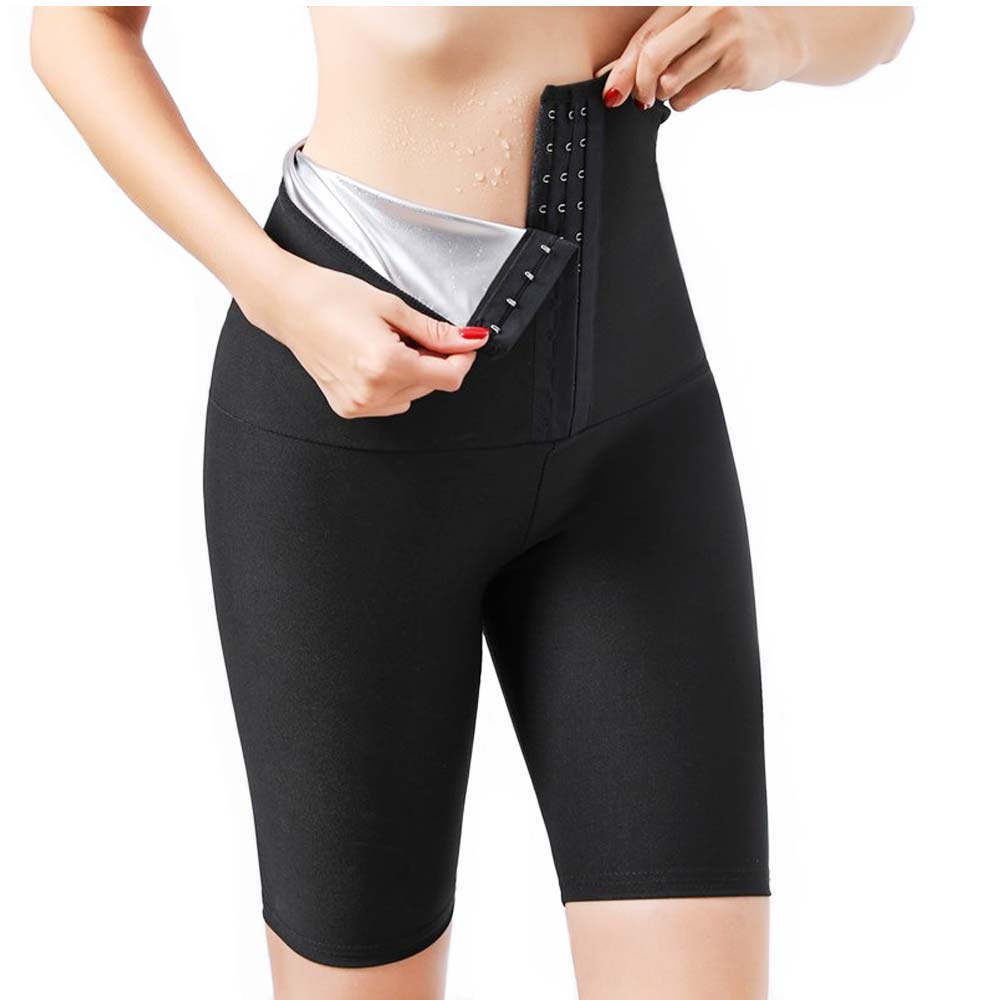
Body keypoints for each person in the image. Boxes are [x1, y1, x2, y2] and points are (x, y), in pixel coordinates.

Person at [31, 7, 913, 999]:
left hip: (632, 436)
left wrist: (780, 33)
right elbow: (76, 26)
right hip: (351, 440)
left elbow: (882, 21)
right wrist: (275, 291)